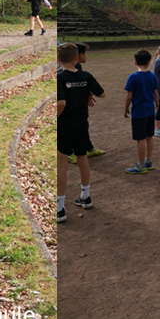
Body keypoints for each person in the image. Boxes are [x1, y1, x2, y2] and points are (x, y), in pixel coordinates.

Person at [57, 43, 105, 222]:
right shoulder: (86, 75)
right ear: (76, 58)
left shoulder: (59, 77)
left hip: (65, 124)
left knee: (61, 164)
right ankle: (85, 196)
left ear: (58, 59)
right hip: (81, 122)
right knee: (82, 158)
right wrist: (84, 92)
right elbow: (102, 94)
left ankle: (59, 208)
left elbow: (61, 103)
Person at [124, 49, 159, 174]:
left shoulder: (133, 77)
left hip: (139, 111)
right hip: (150, 110)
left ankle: (141, 164)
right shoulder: (152, 75)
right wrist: (157, 104)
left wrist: (125, 109)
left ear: (135, 62)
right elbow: (156, 93)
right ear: (149, 62)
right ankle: (148, 161)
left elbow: (129, 96)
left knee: (140, 138)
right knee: (149, 136)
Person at [68, 43, 105, 162]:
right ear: (79, 55)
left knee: (82, 126)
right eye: (85, 54)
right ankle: (69, 153)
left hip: (79, 106)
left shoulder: (78, 67)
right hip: (70, 105)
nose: (86, 56)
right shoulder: (68, 69)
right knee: (73, 127)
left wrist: (88, 93)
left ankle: (89, 148)